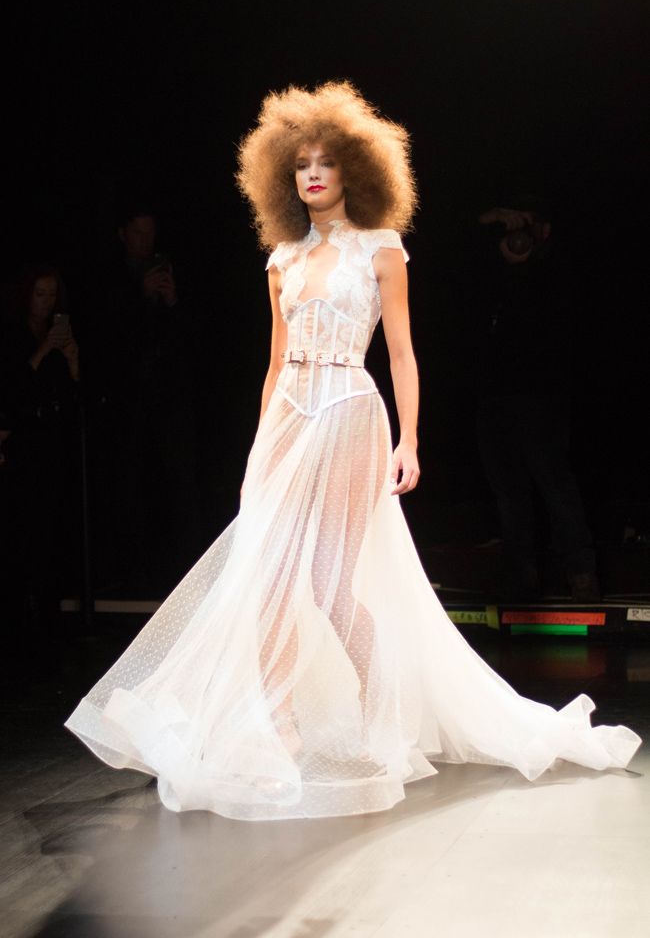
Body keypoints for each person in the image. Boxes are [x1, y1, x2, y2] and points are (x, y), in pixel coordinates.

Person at [64, 83, 640, 821]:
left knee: (330, 582)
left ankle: (377, 713)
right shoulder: (281, 258)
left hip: (348, 411)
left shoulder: (381, 248)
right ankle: (277, 724)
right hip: (290, 412)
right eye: (301, 164)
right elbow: (274, 363)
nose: (312, 175)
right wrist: (258, 447)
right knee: (266, 573)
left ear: (353, 171)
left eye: (325, 163)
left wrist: (410, 438)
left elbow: (401, 352)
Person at [474, 199, 600, 602]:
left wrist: (524, 262)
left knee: (554, 484)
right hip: (494, 396)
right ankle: (521, 576)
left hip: (541, 397)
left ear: (544, 230)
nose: (518, 233)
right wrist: (493, 221)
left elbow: (556, 318)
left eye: (527, 224)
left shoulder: (556, 270)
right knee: (509, 492)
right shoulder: (492, 267)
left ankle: (580, 572)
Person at [84, 205, 202, 593]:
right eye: (138, 233)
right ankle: (128, 574)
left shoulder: (169, 267)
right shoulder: (108, 276)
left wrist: (172, 299)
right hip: (125, 401)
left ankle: (182, 571)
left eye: (150, 233)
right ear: (123, 234)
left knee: (176, 483)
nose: (145, 241)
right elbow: (104, 337)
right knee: (126, 487)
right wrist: (139, 295)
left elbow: (195, 337)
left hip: (169, 399)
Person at [0, 265, 80, 637]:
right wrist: (44, 348)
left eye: (51, 295)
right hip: (24, 441)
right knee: (23, 524)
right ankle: (21, 610)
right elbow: (14, 387)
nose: (46, 302)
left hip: (53, 439)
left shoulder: (58, 334)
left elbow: (72, 392)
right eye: (40, 294)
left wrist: (71, 358)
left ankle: (48, 607)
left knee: (53, 524)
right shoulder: (13, 334)